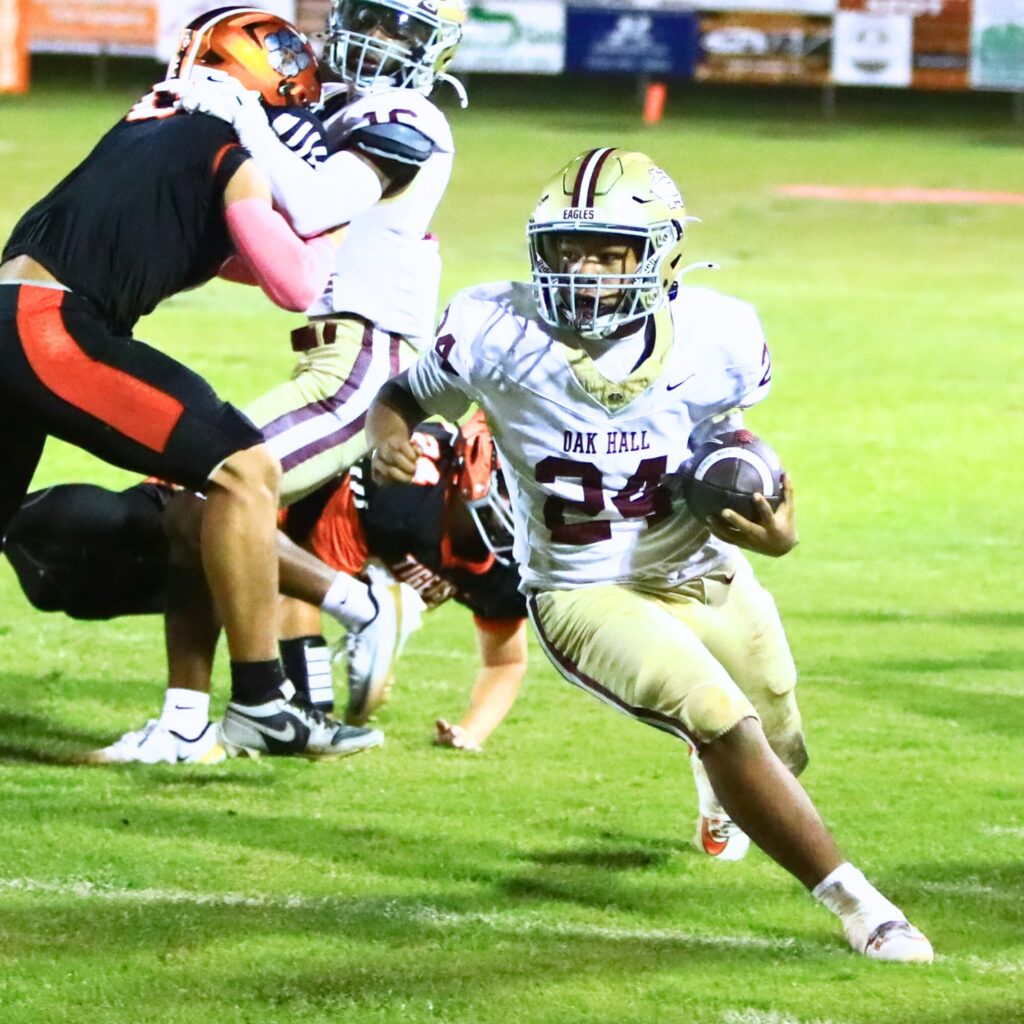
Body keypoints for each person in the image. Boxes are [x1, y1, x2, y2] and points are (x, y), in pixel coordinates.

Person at [364, 147, 935, 962]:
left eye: (610, 252)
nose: (584, 270)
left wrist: (777, 530)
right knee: (721, 717)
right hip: (582, 588)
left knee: (779, 734)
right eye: (568, 249)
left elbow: (734, 449)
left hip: (698, 568)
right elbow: (402, 396)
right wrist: (390, 438)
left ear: (661, 254)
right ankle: (863, 908)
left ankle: (721, 788)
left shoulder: (719, 332)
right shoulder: (494, 327)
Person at [0, 7, 379, 761]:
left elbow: (221, 252)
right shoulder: (230, 151)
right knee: (244, 468)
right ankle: (263, 701)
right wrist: (333, 228)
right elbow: (292, 284)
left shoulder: (153, 126)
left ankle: (186, 720)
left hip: (16, 310)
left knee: (210, 481)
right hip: (48, 325)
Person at [124, 0, 471, 759]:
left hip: (365, 367)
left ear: (434, 49)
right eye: (370, 19)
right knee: (191, 505)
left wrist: (240, 110)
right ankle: (188, 721)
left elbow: (312, 206)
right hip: (328, 355)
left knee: (209, 491)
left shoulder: (408, 116)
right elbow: (275, 236)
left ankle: (361, 607)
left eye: (401, 30)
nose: (378, 41)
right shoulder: (330, 107)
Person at [4, 415, 528, 763]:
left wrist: (470, 733)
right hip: (241, 519)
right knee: (94, 550)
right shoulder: (405, 490)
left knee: (66, 586)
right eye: (513, 495)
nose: (519, 516)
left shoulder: (505, 565)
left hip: (259, 561)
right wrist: (334, 693)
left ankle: (185, 727)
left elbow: (506, 660)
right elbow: (298, 588)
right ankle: (363, 609)